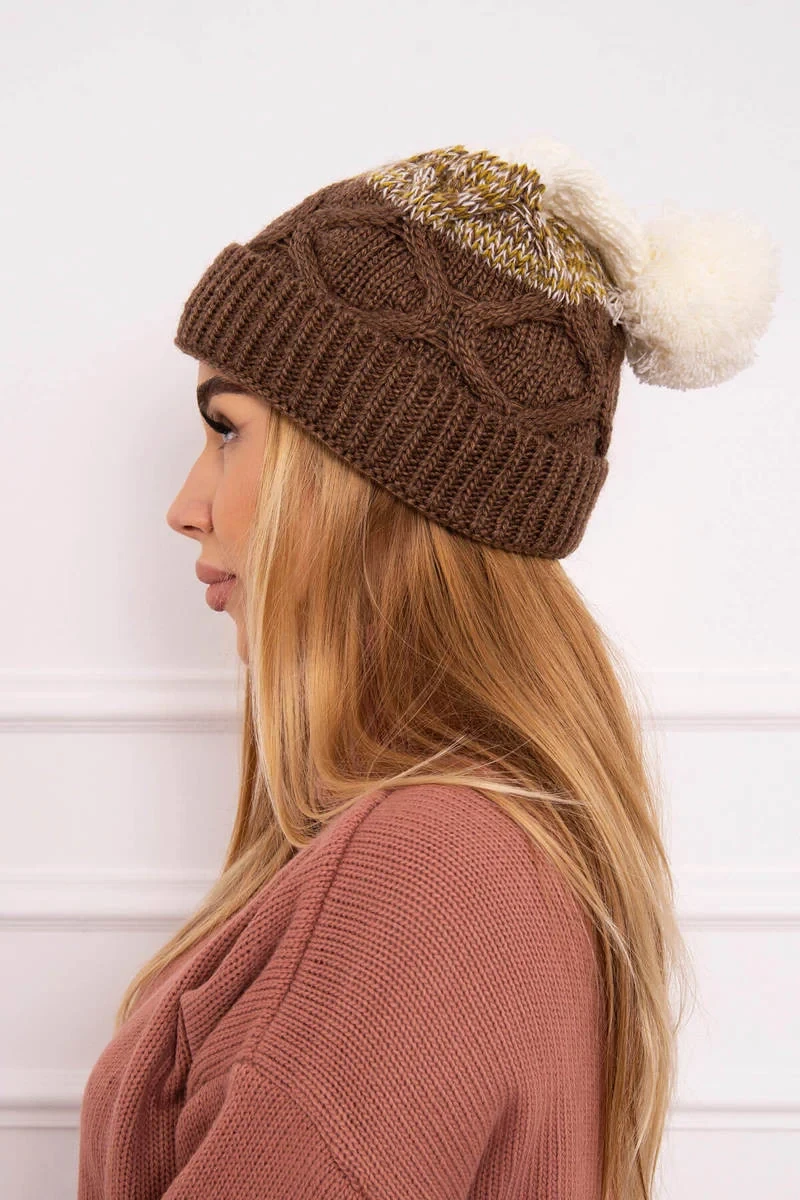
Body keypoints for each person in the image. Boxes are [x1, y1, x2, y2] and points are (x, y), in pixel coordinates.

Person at [76, 136, 780, 1200]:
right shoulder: (474, 845)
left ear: (367, 475)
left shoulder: (422, 872)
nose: (186, 506)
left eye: (227, 430)